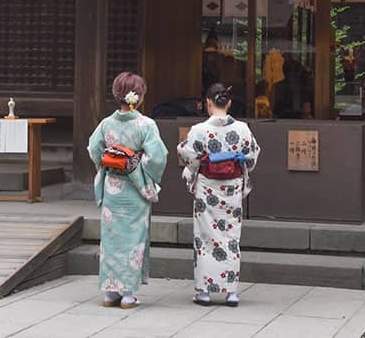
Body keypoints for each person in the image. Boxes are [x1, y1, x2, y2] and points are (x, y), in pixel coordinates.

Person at [88, 72, 168, 309]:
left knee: (112, 240)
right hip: (136, 190)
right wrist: (136, 164)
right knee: (133, 240)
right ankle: (128, 294)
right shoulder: (146, 125)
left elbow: (95, 150)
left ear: (117, 95)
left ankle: (110, 292)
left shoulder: (106, 124)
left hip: (113, 189)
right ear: (139, 96)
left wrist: (112, 161)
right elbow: (157, 158)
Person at [177, 83, 261, 307]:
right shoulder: (243, 129)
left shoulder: (199, 130)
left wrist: (194, 169)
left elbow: (187, 154)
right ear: (229, 103)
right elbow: (251, 158)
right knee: (230, 237)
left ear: (208, 103)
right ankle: (231, 291)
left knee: (205, 238)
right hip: (232, 188)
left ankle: (204, 291)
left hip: (207, 188)